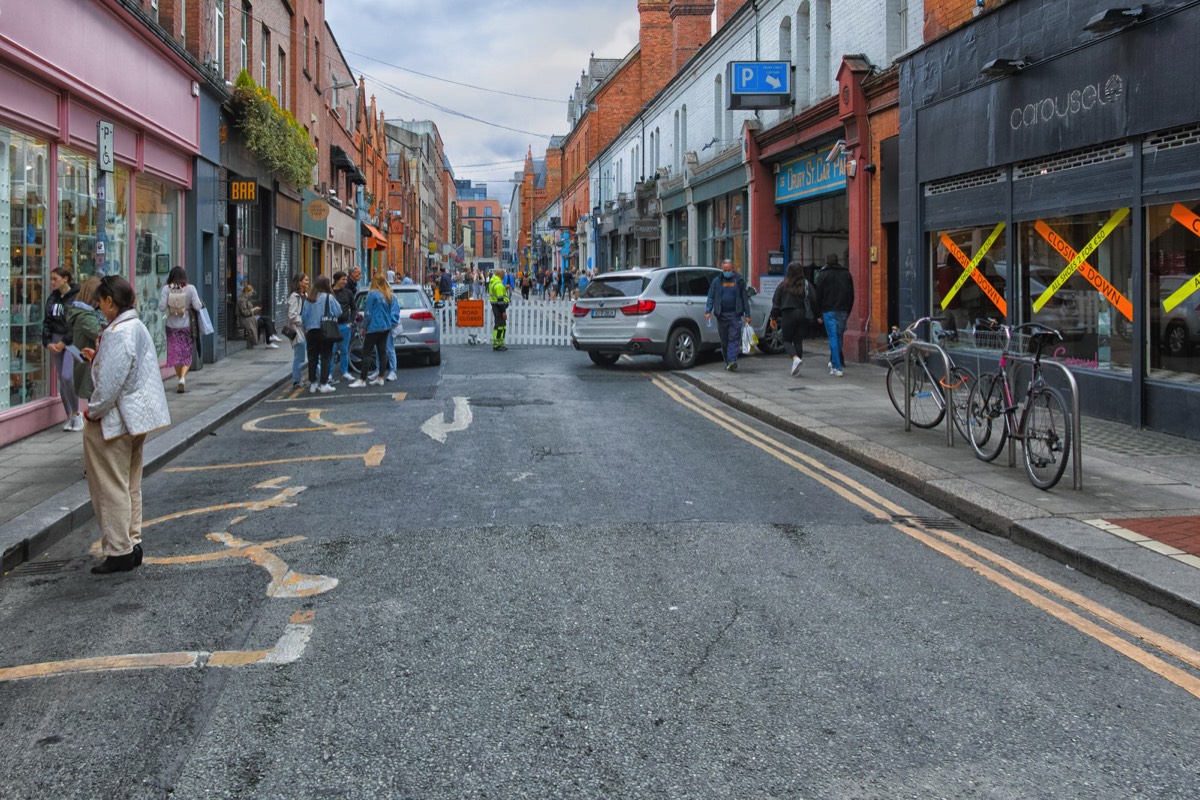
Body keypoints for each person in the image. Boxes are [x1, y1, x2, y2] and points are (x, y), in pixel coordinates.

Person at [81, 275, 171, 574]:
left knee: (111, 487)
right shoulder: (136, 325)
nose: (99, 307)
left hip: (116, 421)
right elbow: (126, 368)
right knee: (130, 484)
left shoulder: (118, 332)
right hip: (136, 419)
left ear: (110, 301)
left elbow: (108, 387)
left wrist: (92, 412)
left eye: (101, 301)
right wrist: (98, 358)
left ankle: (119, 551)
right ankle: (132, 543)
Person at [42, 267, 84, 430]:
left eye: (55, 279)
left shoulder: (76, 297)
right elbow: (47, 321)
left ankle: (77, 413)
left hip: (73, 342)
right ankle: (69, 416)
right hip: (55, 339)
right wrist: (47, 342)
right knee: (62, 379)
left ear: (65, 279)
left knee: (68, 376)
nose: (52, 282)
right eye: (51, 279)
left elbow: (77, 323)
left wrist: (64, 342)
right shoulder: (52, 298)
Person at [158, 266, 202, 393]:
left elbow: (161, 307)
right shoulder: (191, 288)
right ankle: (182, 378)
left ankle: (180, 378)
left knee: (175, 355)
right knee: (186, 354)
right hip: (187, 326)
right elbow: (198, 307)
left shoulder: (166, 289)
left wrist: (170, 304)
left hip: (171, 327)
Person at [61, 276, 104, 406]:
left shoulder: (86, 314)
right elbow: (104, 336)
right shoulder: (86, 317)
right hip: (90, 370)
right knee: (97, 409)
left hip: (89, 367)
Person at [770, 261, 819, 377]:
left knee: (786, 340)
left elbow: (776, 301)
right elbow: (813, 299)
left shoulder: (783, 285)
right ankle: (796, 365)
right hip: (802, 314)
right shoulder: (806, 284)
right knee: (798, 341)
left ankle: (795, 359)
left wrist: (773, 317)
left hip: (788, 314)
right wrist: (818, 315)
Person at [705, 259, 752, 371]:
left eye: (728, 270)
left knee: (734, 338)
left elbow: (744, 298)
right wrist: (708, 311)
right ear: (722, 270)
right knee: (724, 341)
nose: (727, 272)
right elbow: (711, 296)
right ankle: (727, 361)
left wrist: (747, 314)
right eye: (724, 270)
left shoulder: (739, 281)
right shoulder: (717, 281)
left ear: (733, 269)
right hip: (721, 316)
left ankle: (732, 360)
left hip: (735, 315)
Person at [349, 273, 394, 388]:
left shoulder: (372, 294)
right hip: (385, 327)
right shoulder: (386, 295)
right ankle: (380, 378)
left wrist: (363, 327)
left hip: (374, 327)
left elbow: (368, 313)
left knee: (366, 353)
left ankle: (362, 380)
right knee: (382, 352)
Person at [815, 252, 854, 377]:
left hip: (828, 311)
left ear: (827, 262)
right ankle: (833, 362)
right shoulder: (846, 274)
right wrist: (848, 310)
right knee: (839, 337)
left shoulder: (823, 275)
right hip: (843, 310)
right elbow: (851, 294)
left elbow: (818, 296)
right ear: (838, 261)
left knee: (833, 337)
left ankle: (837, 367)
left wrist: (818, 313)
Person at [300, 275, 341, 394]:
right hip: (325, 330)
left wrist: (305, 329)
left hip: (311, 331)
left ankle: (313, 384)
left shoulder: (309, 298)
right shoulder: (329, 297)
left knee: (312, 358)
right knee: (326, 357)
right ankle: (324, 384)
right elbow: (338, 312)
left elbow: (304, 316)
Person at [237, 284, 279, 349]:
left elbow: (249, 311)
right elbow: (245, 313)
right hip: (247, 319)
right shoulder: (241, 300)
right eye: (250, 293)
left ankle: (271, 336)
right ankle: (270, 341)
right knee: (265, 323)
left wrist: (255, 310)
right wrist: (253, 310)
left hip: (252, 316)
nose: (251, 294)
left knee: (268, 318)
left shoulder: (246, 299)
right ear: (246, 292)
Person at [331, 271, 355, 381]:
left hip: (345, 325)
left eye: (345, 279)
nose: (345, 282)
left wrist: (351, 322)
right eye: (343, 280)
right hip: (332, 326)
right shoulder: (329, 292)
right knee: (332, 350)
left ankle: (344, 372)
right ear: (336, 280)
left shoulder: (348, 293)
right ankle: (329, 373)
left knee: (344, 350)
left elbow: (354, 308)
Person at [286, 274, 309, 388]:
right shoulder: (295, 297)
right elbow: (292, 315)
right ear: (299, 282)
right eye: (305, 280)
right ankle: (296, 380)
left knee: (311, 354)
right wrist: (303, 322)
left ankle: (321, 378)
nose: (308, 282)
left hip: (306, 330)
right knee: (299, 356)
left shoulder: (305, 295)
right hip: (298, 330)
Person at [488, 267, 510, 351]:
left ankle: (498, 343)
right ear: (500, 274)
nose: (504, 276)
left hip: (495, 307)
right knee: (500, 326)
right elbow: (500, 300)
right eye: (503, 275)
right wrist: (503, 312)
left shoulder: (494, 283)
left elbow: (496, 294)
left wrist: (504, 288)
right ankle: (498, 344)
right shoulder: (499, 285)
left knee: (498, 325)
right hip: (499, 308)